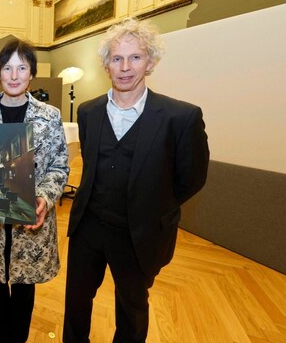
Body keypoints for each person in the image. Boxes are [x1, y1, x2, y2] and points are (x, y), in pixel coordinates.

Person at [63, 18, 210, 342]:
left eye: (135, 57)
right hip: (88, 227)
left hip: (138, 234)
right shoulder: (88, 113)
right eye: (117, 58)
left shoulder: (180, 117)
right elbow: (92, 164)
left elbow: (192, 179)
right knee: (75, 305)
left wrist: (150, 207)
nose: (125, 67)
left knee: (131, 310)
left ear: (151, 62)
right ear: (106, 65)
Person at [0, 38, 70, 343]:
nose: (14, 75)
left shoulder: (49, 117)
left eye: (22, 67)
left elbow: (59, 168)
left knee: (24, 287)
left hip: (30, 221)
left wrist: (45, 198)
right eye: (7, 67)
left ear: (32, 73)